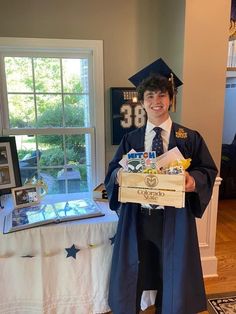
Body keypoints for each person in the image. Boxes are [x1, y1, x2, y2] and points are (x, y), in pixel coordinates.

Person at [104, 58, 218, 314]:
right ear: (142, 101)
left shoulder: (189, 137)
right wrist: (120, 177)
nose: (157, 101)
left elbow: (207, 170)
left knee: (173, 269)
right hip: (139, 216)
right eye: (150, 96)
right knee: (137, 267)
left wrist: (193, 180)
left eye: (162, 95)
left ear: (171, 99)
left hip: (175, 217)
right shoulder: (131, 139)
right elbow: (112, 172)